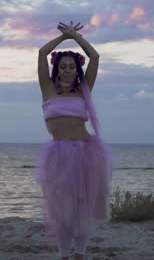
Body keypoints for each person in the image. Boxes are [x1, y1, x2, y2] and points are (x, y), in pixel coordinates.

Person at [34, 21, 113, 260]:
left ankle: (80, 255)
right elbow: (42, 53)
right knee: (61, 210)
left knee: (82, 209)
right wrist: (63, 38)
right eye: (62, 66)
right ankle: (64, 255)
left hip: (86, 153)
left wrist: (75, 38)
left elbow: (94, 56)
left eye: (71, 66)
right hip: (58, 155)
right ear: (56, 69)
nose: (67, 69)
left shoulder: (83, 89)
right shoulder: (47, 88)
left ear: (76, 69)